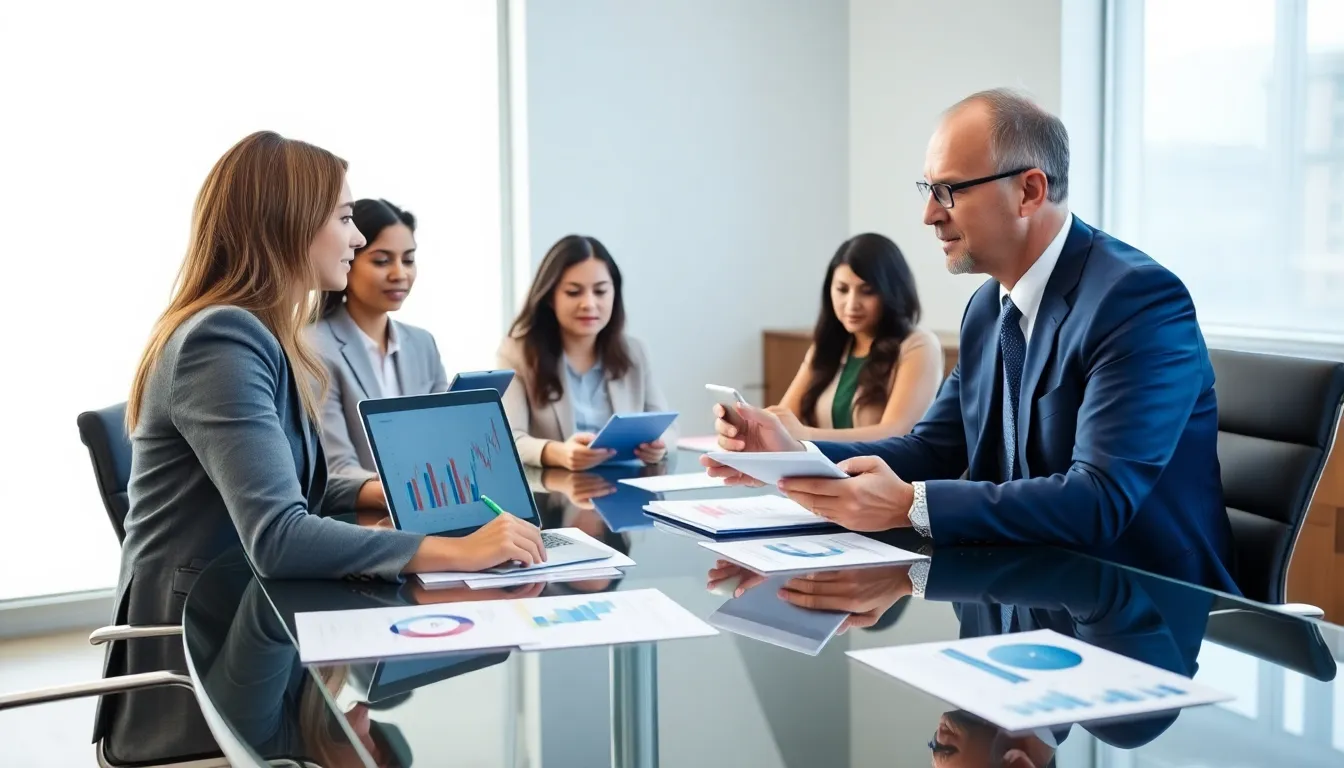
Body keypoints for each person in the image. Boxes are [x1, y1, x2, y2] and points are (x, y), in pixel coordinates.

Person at [104, 131, 546, 763]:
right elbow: (278, 536)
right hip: (197, 668)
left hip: (255, 631)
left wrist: (406, 509)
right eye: (344, 218)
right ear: (289, 225)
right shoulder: (221, 340)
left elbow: (300, 485)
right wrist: (454, 550)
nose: (359, 238)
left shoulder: (265, 334)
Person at [705, 89, 1237, 592]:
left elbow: (1097, 500)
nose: (930, 214)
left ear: (1029, 190)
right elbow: (931, 448)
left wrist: (910, 505)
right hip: (1016, 585)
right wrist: (795, 453)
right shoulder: (988, 308)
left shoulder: (1137, 301)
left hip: (1137, 604)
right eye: (929, 190)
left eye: (950, 191)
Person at [499, 234, 677, 469]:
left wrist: (659, 446)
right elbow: (508, 438)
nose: (589, 304)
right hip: (553, 496)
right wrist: (558, 453)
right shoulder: (518, 353)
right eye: (574, 292)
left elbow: (668, 430)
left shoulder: (634, 352)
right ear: (551, 297)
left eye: (600, 291)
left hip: (625, 491)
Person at [311, 198, 448, 478]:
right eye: (382, 261)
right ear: (348, 260)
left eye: (408, 260)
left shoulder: (423, 344)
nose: (400, 274)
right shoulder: (315, 346)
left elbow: (445, 446)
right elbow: (337, 468)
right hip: (361, 516)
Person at [769, 233, 943, 441]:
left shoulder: (918, 345)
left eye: (867, 291)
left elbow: (896, 433)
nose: (852, 304)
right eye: (842, 289)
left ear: (892, 292)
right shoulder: (830, 344)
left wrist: (806, 435)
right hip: (827, 472)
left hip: (887, 472)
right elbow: (784, 418)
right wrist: (752, 425)